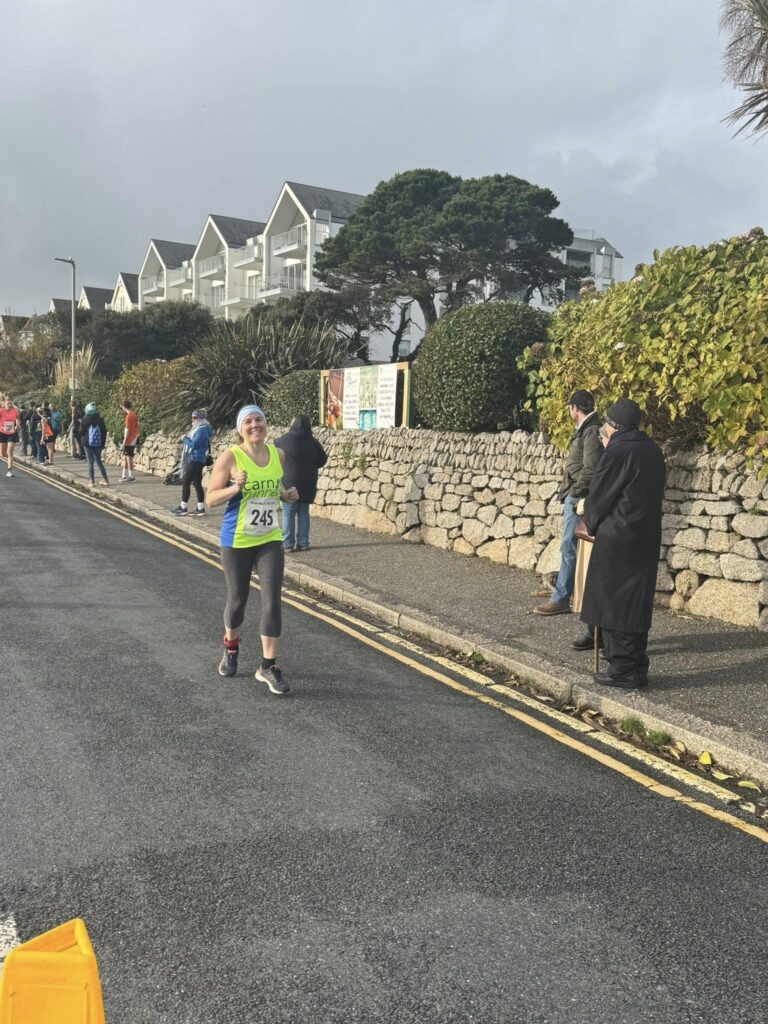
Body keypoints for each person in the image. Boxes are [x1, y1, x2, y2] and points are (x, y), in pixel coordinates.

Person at [205, 404, 299, 693]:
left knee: (272, 600)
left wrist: (286, 495)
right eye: (248, 421)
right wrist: (235, 488)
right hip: (237, 540)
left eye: (259, 419)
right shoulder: (231, 457)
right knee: (237, 601)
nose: (254, 424)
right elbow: (210, 498)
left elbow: (274, 489)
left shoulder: (278, 455)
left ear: (266, 425)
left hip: (269, 538)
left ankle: (268, 666)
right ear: (239, 429)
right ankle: (231, 647)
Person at [580, 398, 666, 689]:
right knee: (635, 601)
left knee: (613, 601)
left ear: (613, 425)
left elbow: (601, 494)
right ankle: (637, 665)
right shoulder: (653, 450)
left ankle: (623, 669)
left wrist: (588, 518)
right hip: (645, 536)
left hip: (617, 538)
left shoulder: (617, 451)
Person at [534, 389, 601, 617]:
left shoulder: (591, 431)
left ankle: (560, 599)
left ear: (574, 408)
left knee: (569, 547)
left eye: (570, 407)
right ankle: (565, 590)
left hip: (579, 496)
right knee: (571, 547)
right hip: (576, 494)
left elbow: (591, 467)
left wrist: (575, 491)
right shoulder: (588, 429)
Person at [275, 414, 328, 552]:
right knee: (303, 512)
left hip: (289, 482)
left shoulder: (284, 439)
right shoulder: (313, 442)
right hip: (308, 483)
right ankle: (303, 543)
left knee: (288, 513)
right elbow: (322, 460)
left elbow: (274, 447)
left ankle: (288, 544)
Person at [172, 410, 213, 516]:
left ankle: (183, 507)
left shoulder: (201, 430)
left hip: (195, 459)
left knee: (186, 482)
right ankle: (200, 508)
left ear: (199, 419)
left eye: (194, 418)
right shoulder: (199, 428)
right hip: (196, 459)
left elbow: (194, 444)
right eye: (192, 417)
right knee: (196, 483)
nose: (192, 420)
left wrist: (185, 439)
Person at [80, 401, 110, 487]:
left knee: (90, 462)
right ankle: (105, 479)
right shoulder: (100, 419)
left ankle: (92, 481)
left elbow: (81, 432)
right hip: (98, 443)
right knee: (98, 461)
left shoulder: (84, 419)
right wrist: (102, 444)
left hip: (87, 443)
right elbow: (104, 432)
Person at [119, 399, 140, 482]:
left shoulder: (129, 416)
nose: (122, 409)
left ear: (124, 407)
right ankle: (124, 475)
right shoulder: (134, 414)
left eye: (122, 407)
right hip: (134, 437)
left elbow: (127, 430)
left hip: (129, 439)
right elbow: (138, 426)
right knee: (126, 457)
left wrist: (124, 441)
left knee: (128, 457)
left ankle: (131, 476)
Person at [0, 396, 21, 477]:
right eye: (8, 403)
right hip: (2, 433)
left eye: (10, 404)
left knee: (10, 451)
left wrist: (17, 425)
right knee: (2, 454)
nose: (9, 405)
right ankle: (10, 458)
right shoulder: (1, 411)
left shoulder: (15, 411)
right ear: (4, 404)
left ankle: (9, 470)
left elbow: (18, 419)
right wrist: (1, 427)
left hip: (12, 433)